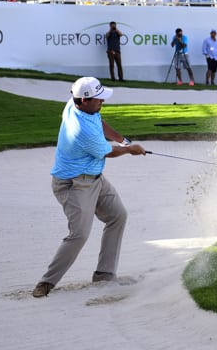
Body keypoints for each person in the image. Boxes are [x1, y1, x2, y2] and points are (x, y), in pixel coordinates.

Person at [32, 77, 146, 298]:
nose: (103, 101)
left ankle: (104, 274)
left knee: (118, 215)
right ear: (84, 100)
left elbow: (100, 123)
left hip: (95, 178)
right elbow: (107, 152)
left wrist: (123, 139)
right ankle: (46, 282)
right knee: (80, 234)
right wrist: (130, 149)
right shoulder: (81, 129)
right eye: (98, 98)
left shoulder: (80, 106)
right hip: (74, 185)